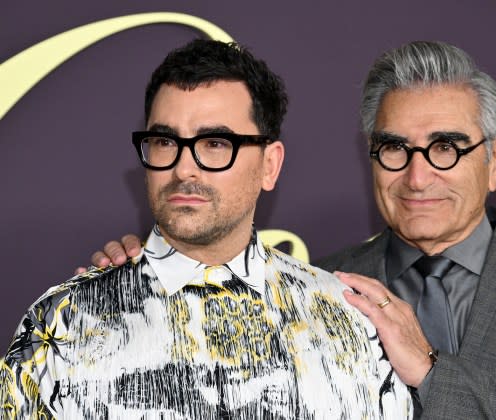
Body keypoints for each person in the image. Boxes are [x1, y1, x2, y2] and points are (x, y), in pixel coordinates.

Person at [90, 41, 496, 418]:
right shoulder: (316, 286)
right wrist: (150, 289)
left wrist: (433, 372)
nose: (417, 178)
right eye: (394, 149)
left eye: (444, 148)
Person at [0, 39, 413, 419]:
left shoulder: (348, 325)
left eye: (215, 143)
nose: (183, 168)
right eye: (164, 142)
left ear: (270, 165)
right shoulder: (62, 323)